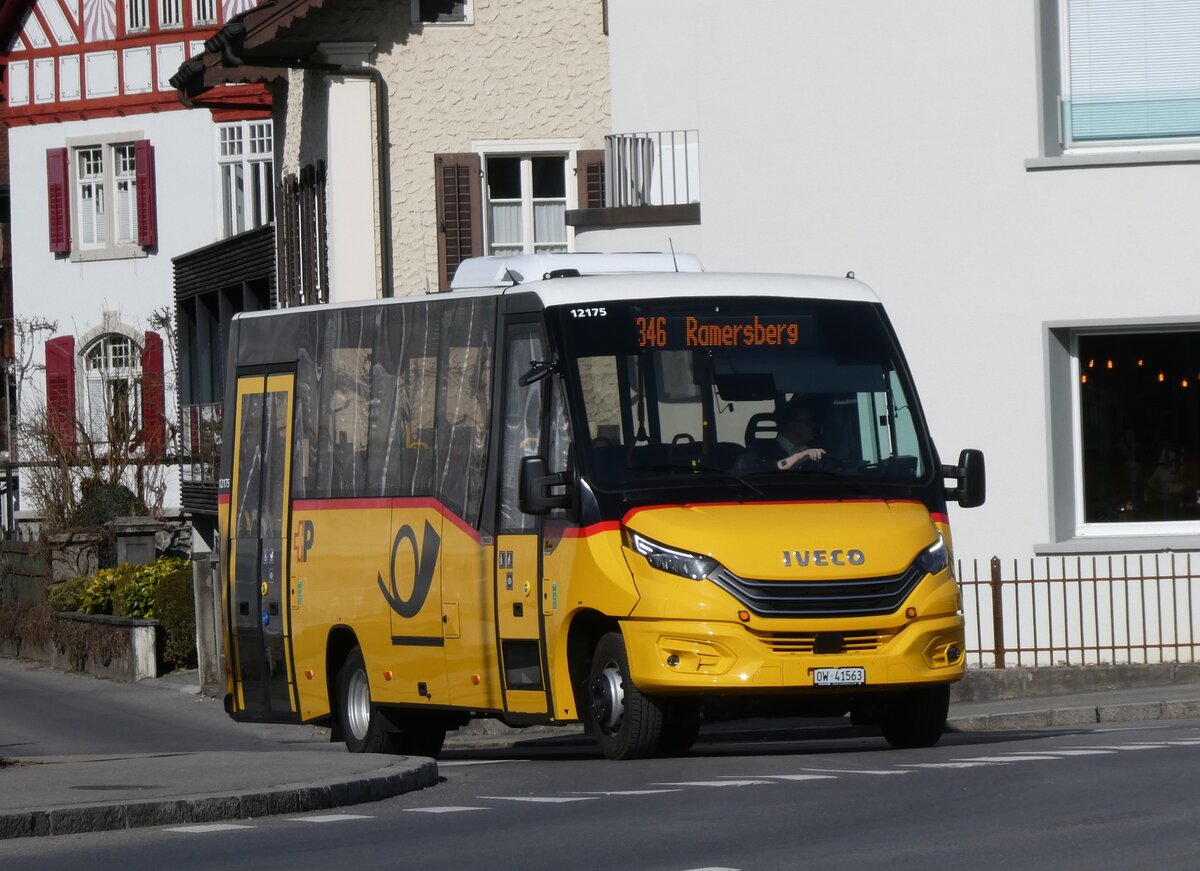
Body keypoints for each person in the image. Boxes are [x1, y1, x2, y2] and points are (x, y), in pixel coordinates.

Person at [739, 395, 826, 472]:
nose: (813, 426)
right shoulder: (764, 452)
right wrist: (799, 457)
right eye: (808, 423)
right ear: (792, 425)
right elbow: (763, 470)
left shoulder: (817, 447)